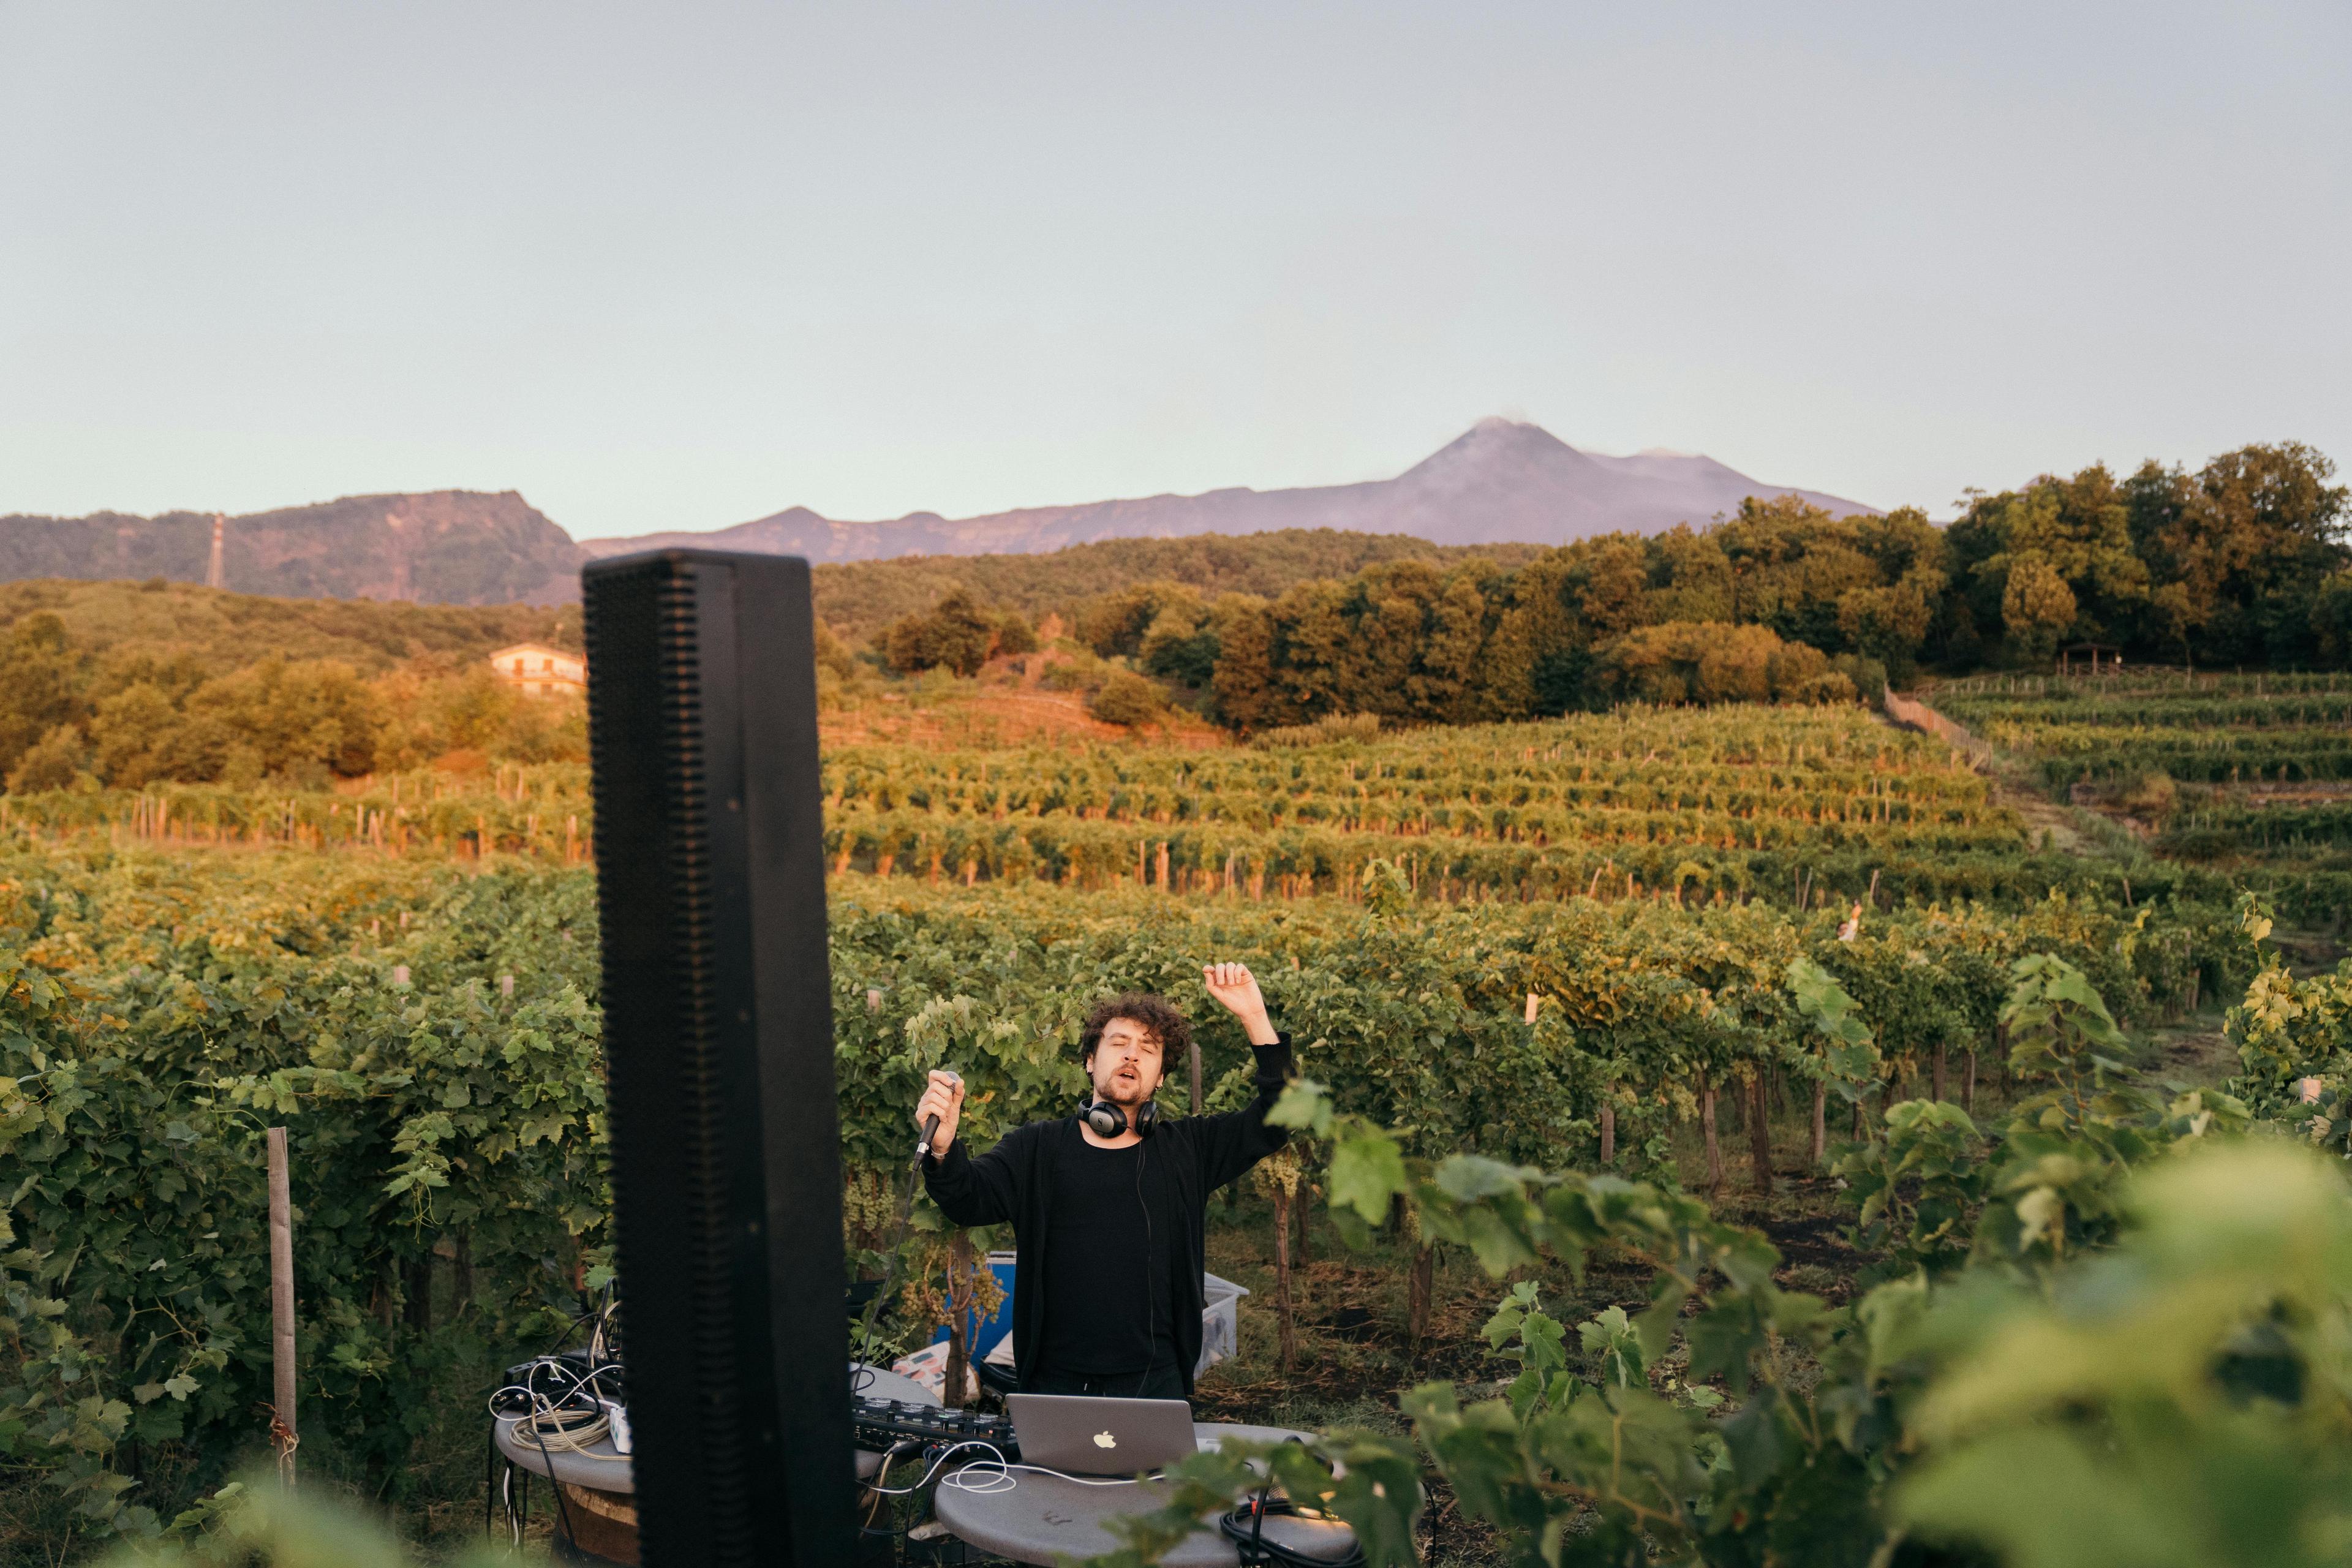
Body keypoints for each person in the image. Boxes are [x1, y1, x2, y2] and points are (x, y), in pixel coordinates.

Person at [912, 962, 1291, 1399]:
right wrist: (942, 1148)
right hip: (1053, 1380)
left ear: (1161, 1077)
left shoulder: (1190, 1150)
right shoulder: (1035, 1149)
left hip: (1158, 1379)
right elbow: (966, 1200)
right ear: (1091, 1061)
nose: (1132, 1054)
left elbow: (1279, 1117)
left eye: (1148, 1049)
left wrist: (1254, 1016)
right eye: (1119, 1043)